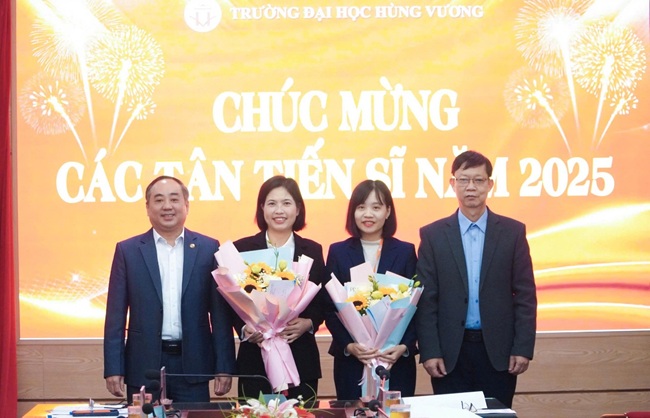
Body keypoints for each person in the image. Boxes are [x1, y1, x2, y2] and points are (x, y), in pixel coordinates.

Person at [414, 150, 537, 408]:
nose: (471, 187)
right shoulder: (433, 235)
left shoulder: (513, 232)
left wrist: (522, 347)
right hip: (450, 354)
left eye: (478, 180)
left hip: (499, 353)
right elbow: (426, 300)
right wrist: (430, 351)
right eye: (463, 180)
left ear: (490, 184)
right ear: (452, 183)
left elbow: (525, 295)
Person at [103, 176, 236, 403]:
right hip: (143, 366)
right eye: (159, 200)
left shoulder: (208, 248)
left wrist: (224, 365)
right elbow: (115, 315)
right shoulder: (128, 250)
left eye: (174, 199)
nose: (167, 206)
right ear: (147, 207)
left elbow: (219, 314)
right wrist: (114, 367)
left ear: (186, 205)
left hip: (193, 367)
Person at [233, 175, 327, 403]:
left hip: (300, 358)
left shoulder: (312, 250)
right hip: (255, 360)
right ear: (262, 208)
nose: (279, 210)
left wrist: (308, 323)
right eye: (272, 203)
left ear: (298, 209)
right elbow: (230, 302)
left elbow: (323, 301)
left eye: (286, 203)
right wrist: (245, 329)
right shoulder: (241, 249)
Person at [326, 179, 418, 400]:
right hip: (352, 362)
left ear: (388, 211)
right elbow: (329, 308)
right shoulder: (338, 252)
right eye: (361, 207)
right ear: (353, 212)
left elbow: (417, 306)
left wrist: (404, 347)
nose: (368, 214)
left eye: (376, 207)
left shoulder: (405, 251)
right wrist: (350, 345)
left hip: (394, 360)